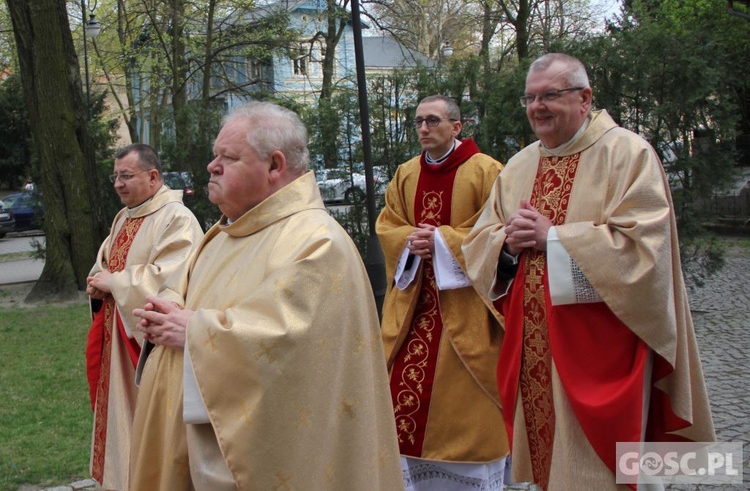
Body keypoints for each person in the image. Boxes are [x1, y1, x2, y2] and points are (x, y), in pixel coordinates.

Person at [463, 53, 715, 490]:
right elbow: (479, 241)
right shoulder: (519, 166)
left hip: (604, 351)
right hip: (536, 351)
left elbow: (644, 251)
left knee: (609, 470)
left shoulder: (627, 154)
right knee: (549, 469)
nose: (537, 107)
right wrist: (506, 245)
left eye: (550, 96)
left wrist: (554, 239)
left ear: (585, 98)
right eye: (530, 97)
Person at [129, 101, 403, 490]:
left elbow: (287, 344)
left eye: (228, 157)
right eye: (214, 155)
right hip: (188, 438)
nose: (213, 166)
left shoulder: (315, 242)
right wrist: (169, 305)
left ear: (275, 166)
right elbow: (194, 290)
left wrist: (194, 331)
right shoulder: (228, 231)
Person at [376, 94, 509, 489]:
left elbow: (498, 231)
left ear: (457, 126)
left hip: (466, 311)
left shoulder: (487, 171)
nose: (423, 129)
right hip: (415, 306)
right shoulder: (406, 174)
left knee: (466, 413)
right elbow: (389, 225)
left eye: (432, 121)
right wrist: (408, 242)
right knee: (400, 404)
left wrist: (441, 242)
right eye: (417, 121)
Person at [85, 143, 203, 490]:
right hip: (115, 335)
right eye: (116, 177)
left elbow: (172, 277)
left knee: (146, 417)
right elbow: (106, 261)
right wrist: (97, 282)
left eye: (126, 176)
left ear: (153, 176)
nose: (119, 184)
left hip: (144, 341)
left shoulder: (176, 218)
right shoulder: (124, 216)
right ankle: (121, 477)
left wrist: (116, 283)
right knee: (117, 415)